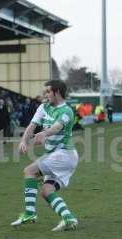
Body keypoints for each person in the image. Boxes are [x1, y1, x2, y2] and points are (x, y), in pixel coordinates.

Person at [11, 80, 79, 231]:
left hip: (64, 155)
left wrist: (44, 134)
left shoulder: (66, 111)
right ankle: (69, 218)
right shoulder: (44, 107)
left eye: (48, 91)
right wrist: (23, 140)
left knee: (29, 171)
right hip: (58, 155)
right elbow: (32, 125)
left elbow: (56, 127)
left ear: (57, 93)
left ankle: (29, 213)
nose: (45, 94)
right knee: (46, 191)